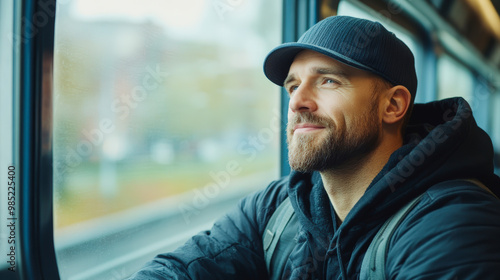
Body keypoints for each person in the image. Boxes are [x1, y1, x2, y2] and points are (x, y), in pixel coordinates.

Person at [128, 15, 500, 279]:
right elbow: (182, 269)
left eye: (328, 81)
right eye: (292, 86)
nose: (297, 102)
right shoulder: (278, 207)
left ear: (393, 106)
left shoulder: (453, 224)